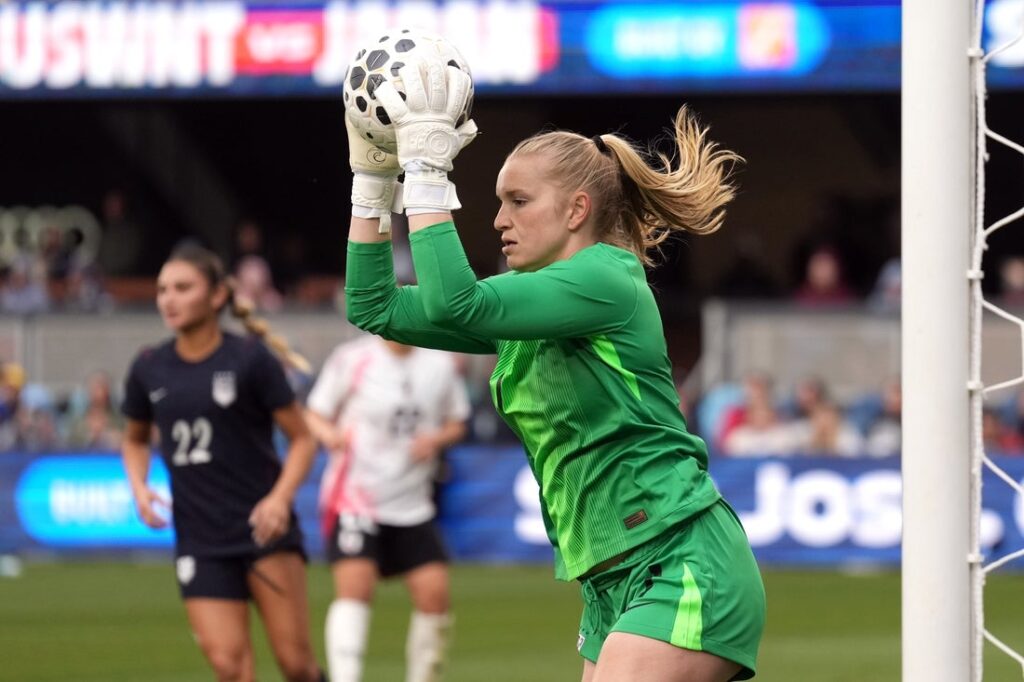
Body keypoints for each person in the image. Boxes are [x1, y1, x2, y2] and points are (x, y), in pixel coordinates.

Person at [342, 63, 765, 681]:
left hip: (678, 559)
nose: (498, 220)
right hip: (608, 579)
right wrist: (373, 180)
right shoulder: (534, 299)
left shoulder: (605, 279)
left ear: (577, 210)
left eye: (517, 201)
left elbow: (455, 301)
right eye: (498, 203)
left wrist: (429, 173)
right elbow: (373, 305)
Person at [120, 243, 324, 682]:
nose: (168, 299)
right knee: (230, 668)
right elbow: (135, 440)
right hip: (200, 539)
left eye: (182, 287)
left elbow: (304, 440)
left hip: (263, 531)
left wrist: (279, 500)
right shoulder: (148, 368)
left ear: (216, 296)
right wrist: (138, 487)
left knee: (297, 666)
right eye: (161, 290)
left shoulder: (250, 359)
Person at [304, 334, 470, 682]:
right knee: (355, 591)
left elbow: (457, 421)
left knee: (435, 596)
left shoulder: (438, 364)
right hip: (356, 497)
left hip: (412, 501)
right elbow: (315, 413)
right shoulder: (352, 357)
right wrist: (329, 435)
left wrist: (436, 439)